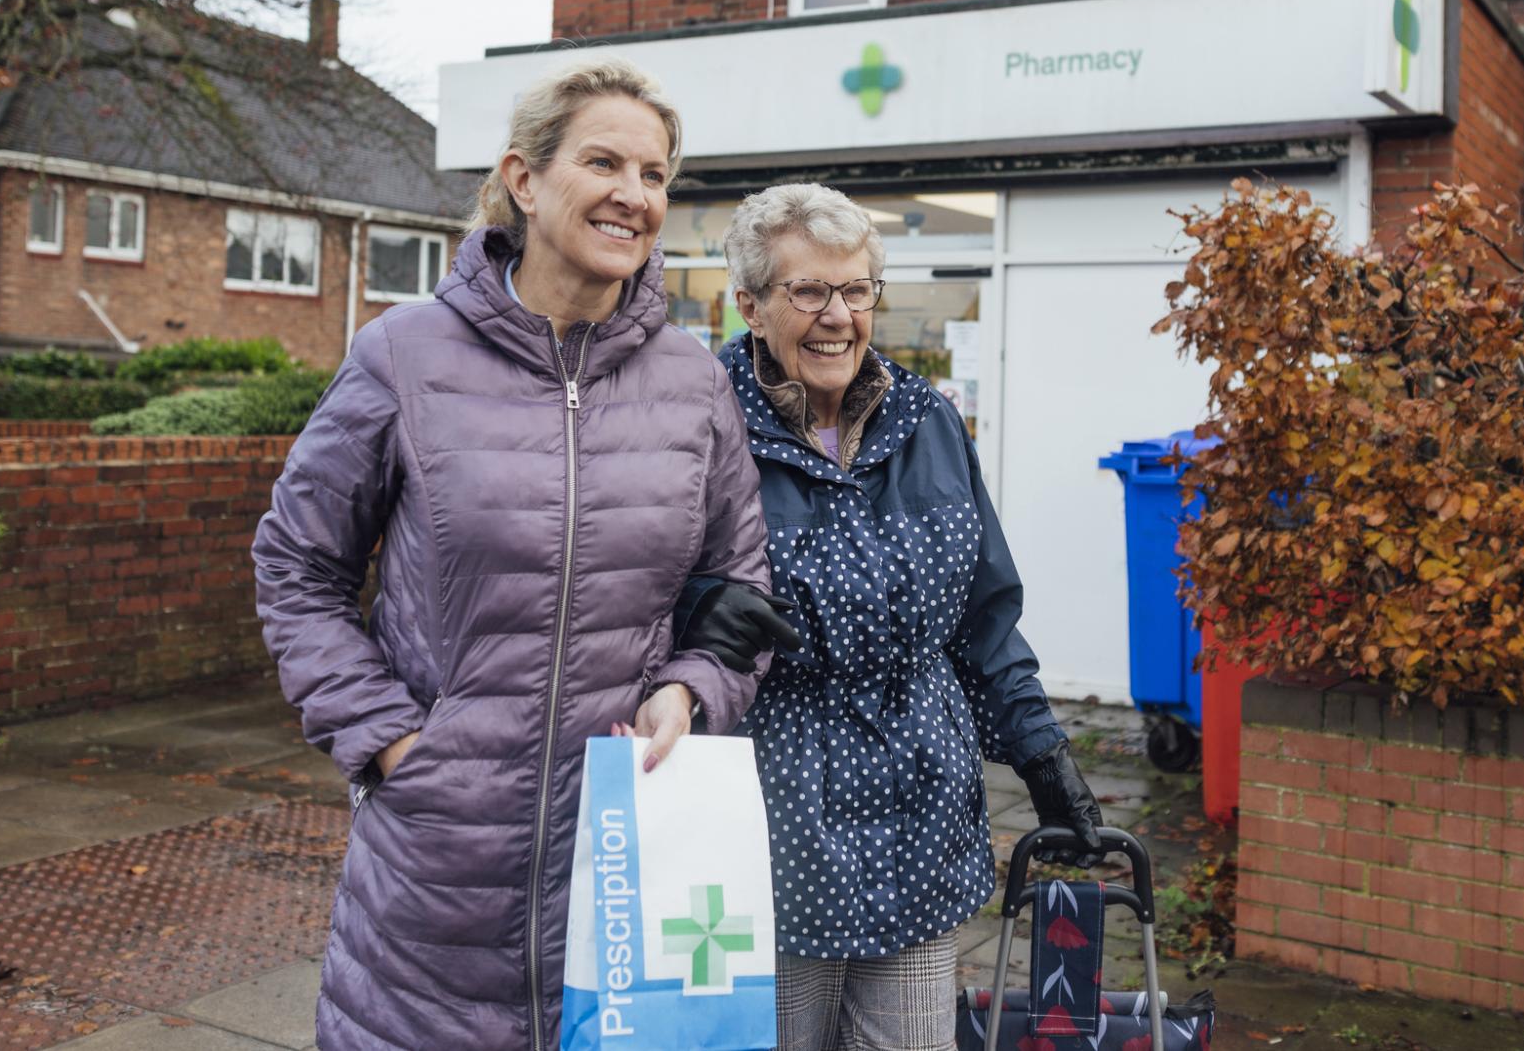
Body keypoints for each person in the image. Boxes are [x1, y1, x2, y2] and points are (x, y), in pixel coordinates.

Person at [253, 58, 795, 1051]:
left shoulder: (691, 381)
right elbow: (297, 571)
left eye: (654, 174)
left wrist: (689, 689)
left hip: (627, 877)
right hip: (433, 886)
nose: (634, 195)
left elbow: (739, 587)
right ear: (523, 178)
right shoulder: (402, 357)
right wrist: (391, 743)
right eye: (603, 162)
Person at [702, 182, 1105, 1051]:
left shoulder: (928, 421)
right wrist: (697, 607)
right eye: (808, 291)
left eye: (856, 290)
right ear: (749, 305)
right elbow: (629, 587)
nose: (837, 316)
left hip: (919, 815)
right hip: (773, 818)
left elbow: (984, 616)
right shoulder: (699, 421)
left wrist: (1044, 759)